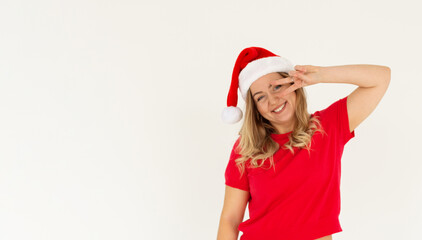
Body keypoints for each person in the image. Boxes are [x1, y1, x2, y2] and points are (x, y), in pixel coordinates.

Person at [216, 46, 391, 240]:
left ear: (294, 86)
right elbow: (230, 220)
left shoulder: (328, 127)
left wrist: (320, 75)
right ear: (256, 109)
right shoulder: (245, 149)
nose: (273, 100)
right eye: (260, 97)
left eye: (277, 86)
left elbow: (381, 78)